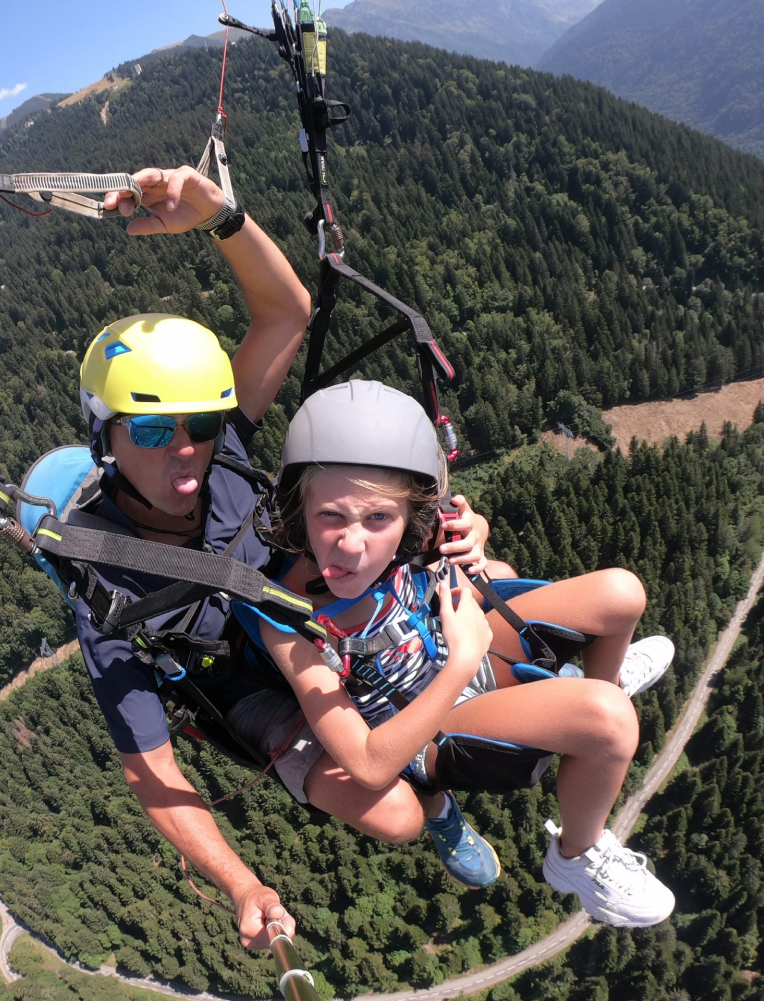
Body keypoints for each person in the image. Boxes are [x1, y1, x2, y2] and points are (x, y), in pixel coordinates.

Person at [72, 166, 492, 948]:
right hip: (243, 683)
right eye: (155, 432)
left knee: (483, 580)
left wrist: (221, 216)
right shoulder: (104, 585)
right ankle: (438, 811)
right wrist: (241, 882)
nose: (188, 452)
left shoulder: (224, 447)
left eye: (198, 422)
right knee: (397, 810)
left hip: (319, 602)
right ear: (105, 437)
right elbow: (152, 774)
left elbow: (286, 312)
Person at [234, 380, 676, 927]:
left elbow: (466, 540)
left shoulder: (416, 538)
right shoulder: (285, 616)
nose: (351, 544)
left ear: (409, 518)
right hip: (426, 725)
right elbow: (370, 765)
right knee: (608, 722)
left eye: (377, 518)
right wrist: (467, 656)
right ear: (299, 510)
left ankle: (596, 685)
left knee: (621, 593)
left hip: (461, 653)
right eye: (331, 516)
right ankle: (577, 856)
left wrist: (475, 536)